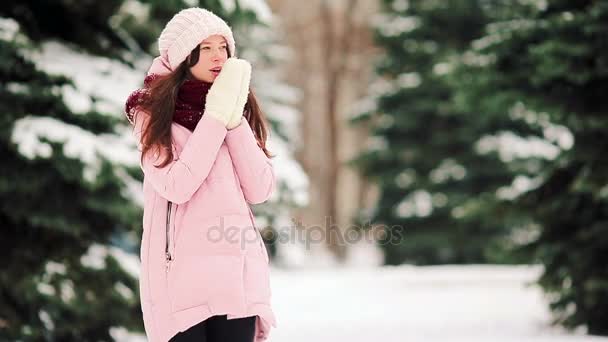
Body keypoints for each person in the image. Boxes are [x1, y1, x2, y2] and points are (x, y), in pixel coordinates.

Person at [124, 7, 277, 342]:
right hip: (180, 282)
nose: (217, 56)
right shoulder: (150, 113)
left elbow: (261, 188)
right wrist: (215, 118)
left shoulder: (235, 106)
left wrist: (233, 120)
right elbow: (176, 185)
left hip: (236, 280)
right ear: (184, 56)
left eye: (223, 47)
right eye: (205, 48)